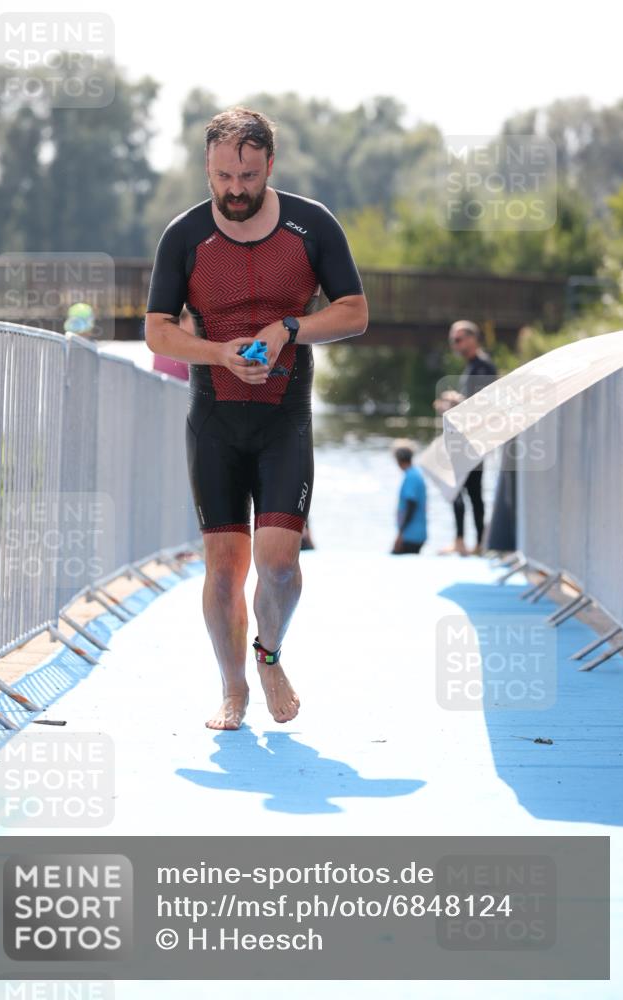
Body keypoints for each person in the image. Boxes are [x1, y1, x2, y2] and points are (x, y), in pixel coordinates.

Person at [144, 107, 368, 730]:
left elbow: (354, 312)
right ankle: (233, 688)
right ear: (207, 169)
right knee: (224, 571)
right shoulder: (184, 236)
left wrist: (290, 327)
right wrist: (216, 352)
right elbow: (157, 331)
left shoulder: (311, 225)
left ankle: (269, 655)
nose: (234, 190)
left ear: (270, 165)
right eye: (221, 176)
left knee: (279, 566)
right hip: (213, 420)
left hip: (283, 421)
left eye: (246, 175)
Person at [434, 319, 498, 556]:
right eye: (452, 340)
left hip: (475, 441)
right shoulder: (472, 365)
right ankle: (462, 540)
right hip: (465, 440)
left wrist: (456, 402)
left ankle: (479, 542)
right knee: (459, 489)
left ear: (473, 338)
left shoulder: (484, 366)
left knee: (473, 493)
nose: (455, 345)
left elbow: (485, 402)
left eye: (458, 339)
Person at [391, 441, 427, 554]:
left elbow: (411, 505)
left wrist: (401, 533)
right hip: (416, 533)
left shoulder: (411, 477)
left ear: (398, 460)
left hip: (411, 535)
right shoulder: (415, 474)